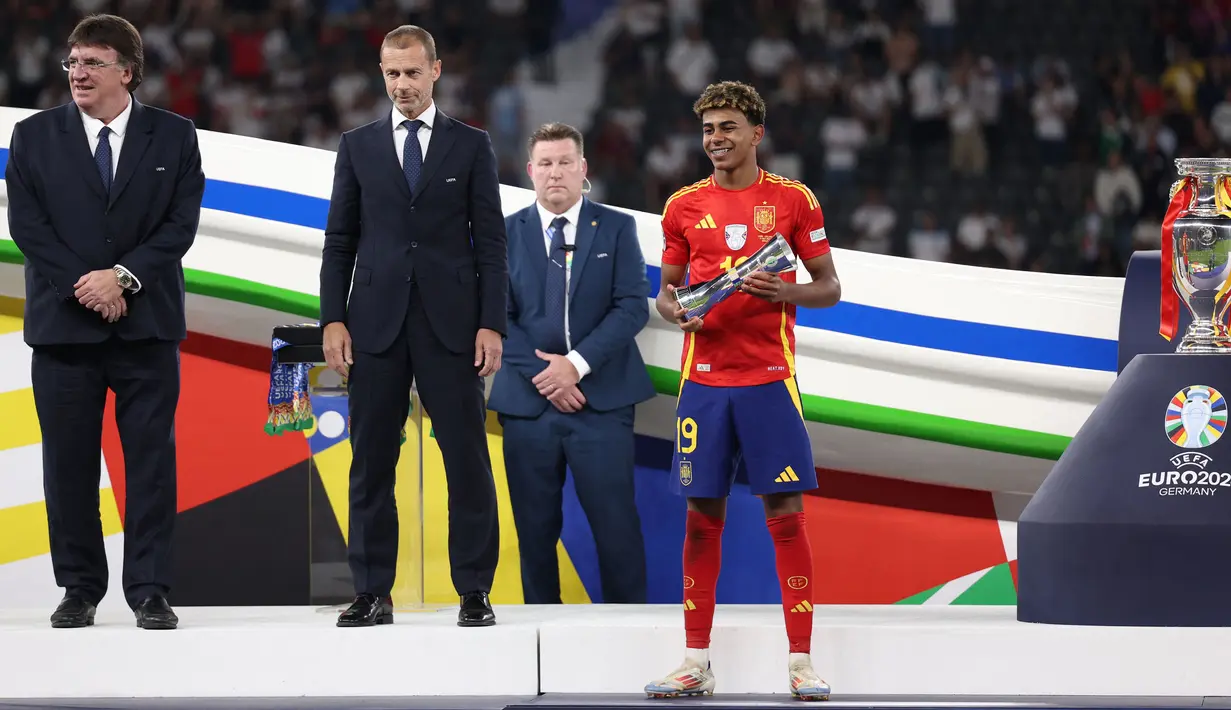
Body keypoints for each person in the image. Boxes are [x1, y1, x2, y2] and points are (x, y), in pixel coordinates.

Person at [4, 13, 204, 631]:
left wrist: (123, 278)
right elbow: (28, 227)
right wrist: (85, 285)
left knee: (150, 464)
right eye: (72, 62)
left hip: (146, 329)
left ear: (128, 70)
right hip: (64, 330)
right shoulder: (34, 136)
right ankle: (79, 588)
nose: (77, 73)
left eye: (92, 62)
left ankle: (149, 590)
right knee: (67, 467)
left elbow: (179, 224)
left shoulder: (175, 135)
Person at [643, 81, 841, 700]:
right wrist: (677, 313)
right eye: (708, 129)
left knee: (785, 518)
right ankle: (695, 661)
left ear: (757, 133)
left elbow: (831, 286)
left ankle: (801, 663)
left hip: (769, 383)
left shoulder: (792, 200)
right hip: (702, 385)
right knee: (702, 520)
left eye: (728, 127)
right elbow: (666, 292)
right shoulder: (682, 206)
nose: (716, 139)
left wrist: (790, 293)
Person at [319, 25, 507, 628]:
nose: (401, 84)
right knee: (370, 461)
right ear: (382, 73)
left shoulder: (472, 145)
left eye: (411, 72)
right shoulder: (357, 146)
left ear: (435, 71)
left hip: (453, 329)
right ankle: (372, 591)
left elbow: (492, 247)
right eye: (391, 73)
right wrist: (332, 319)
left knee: (467, 460)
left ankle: (474, 590)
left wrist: (491, 325)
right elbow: (339, 240)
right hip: (372, 326)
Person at [489, 122, 654, 604]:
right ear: (530, 172)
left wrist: (576, 366)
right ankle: (543, 635)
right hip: (528, 406)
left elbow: (632, 307)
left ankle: (630, 635)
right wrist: (550, 378)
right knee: (534, 532)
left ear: (583, 169)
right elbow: (494, 314)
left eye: (565, 162)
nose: (555, 172)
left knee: (617, 529)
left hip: (602, 404)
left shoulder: (618, 227)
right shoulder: (504, 232)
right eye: (545, 163)